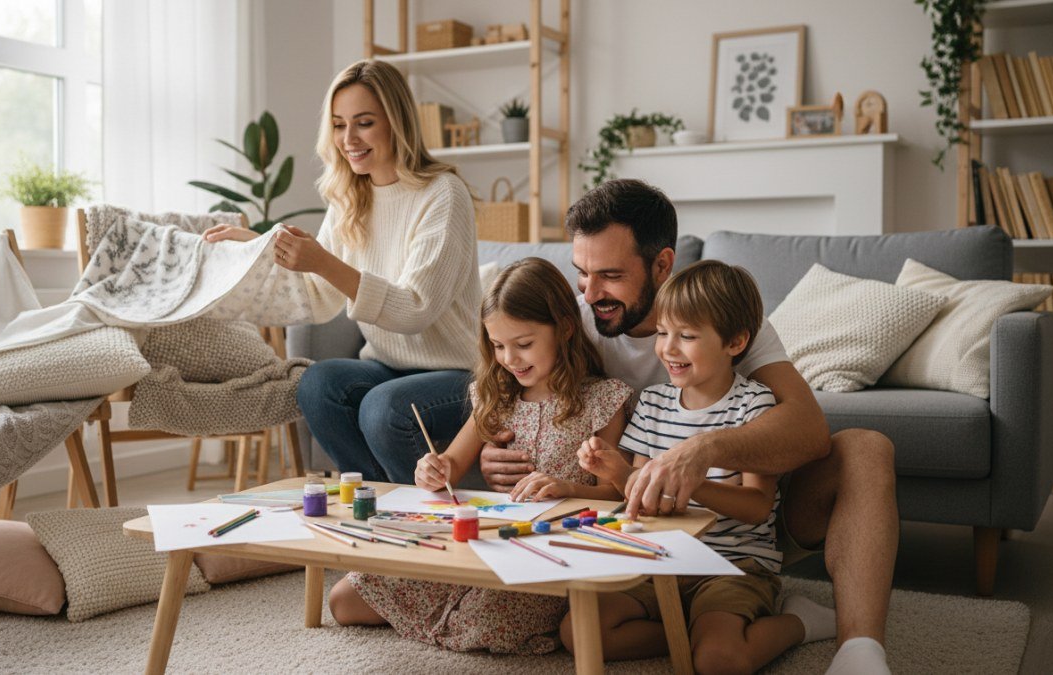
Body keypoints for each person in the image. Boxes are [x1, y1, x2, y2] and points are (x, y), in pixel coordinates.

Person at [478, 180, 896, 674]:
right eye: (581, 274)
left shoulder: (720, 312)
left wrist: (701, 451)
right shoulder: (576, 321)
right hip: (653, 527)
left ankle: (860, 649)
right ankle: (696, 628)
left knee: (866, 447)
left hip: (747, 520)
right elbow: (524, 395)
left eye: (610, 275)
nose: (590, 294)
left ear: (661, 264)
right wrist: (497, 449)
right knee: (594, 630)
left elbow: (808, 431)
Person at [328, 257, 633, 654]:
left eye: (523, 344)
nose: (510, 358)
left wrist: (566, 488)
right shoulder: (496, 397)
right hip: (484, 542)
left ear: (565, 328)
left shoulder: (603, 399)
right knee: (343, 599)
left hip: (549, 549)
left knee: (483, 623)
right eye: (498, 345)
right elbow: (452, 463)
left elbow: (616, 496)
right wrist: (432, 469)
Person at [204, 59, 480, 484]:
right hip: (387, 364)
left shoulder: (443, 194)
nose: (348, 139)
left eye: (364, 123)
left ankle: (412, 509)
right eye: (338, 125)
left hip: (456, 373)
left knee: (383, 407)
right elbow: (318, 295)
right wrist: (258, 245)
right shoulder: (350, 197)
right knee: (317, 383)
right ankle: (383, 500)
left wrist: (323, 260)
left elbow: (414, 310)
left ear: (397, 123)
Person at [575, 260, 836, 669]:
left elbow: (756, 507)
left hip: (732, 562)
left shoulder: (755, 406)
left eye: (688, 336)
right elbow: (640, 496)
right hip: (660, 557)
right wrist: (617, 473)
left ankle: (799, 622)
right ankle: (691, 629)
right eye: (663, 333)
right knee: (580, 631)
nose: (668, 348)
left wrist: (690, 480)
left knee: (718, 662)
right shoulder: (652, 402)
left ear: (735, 342)